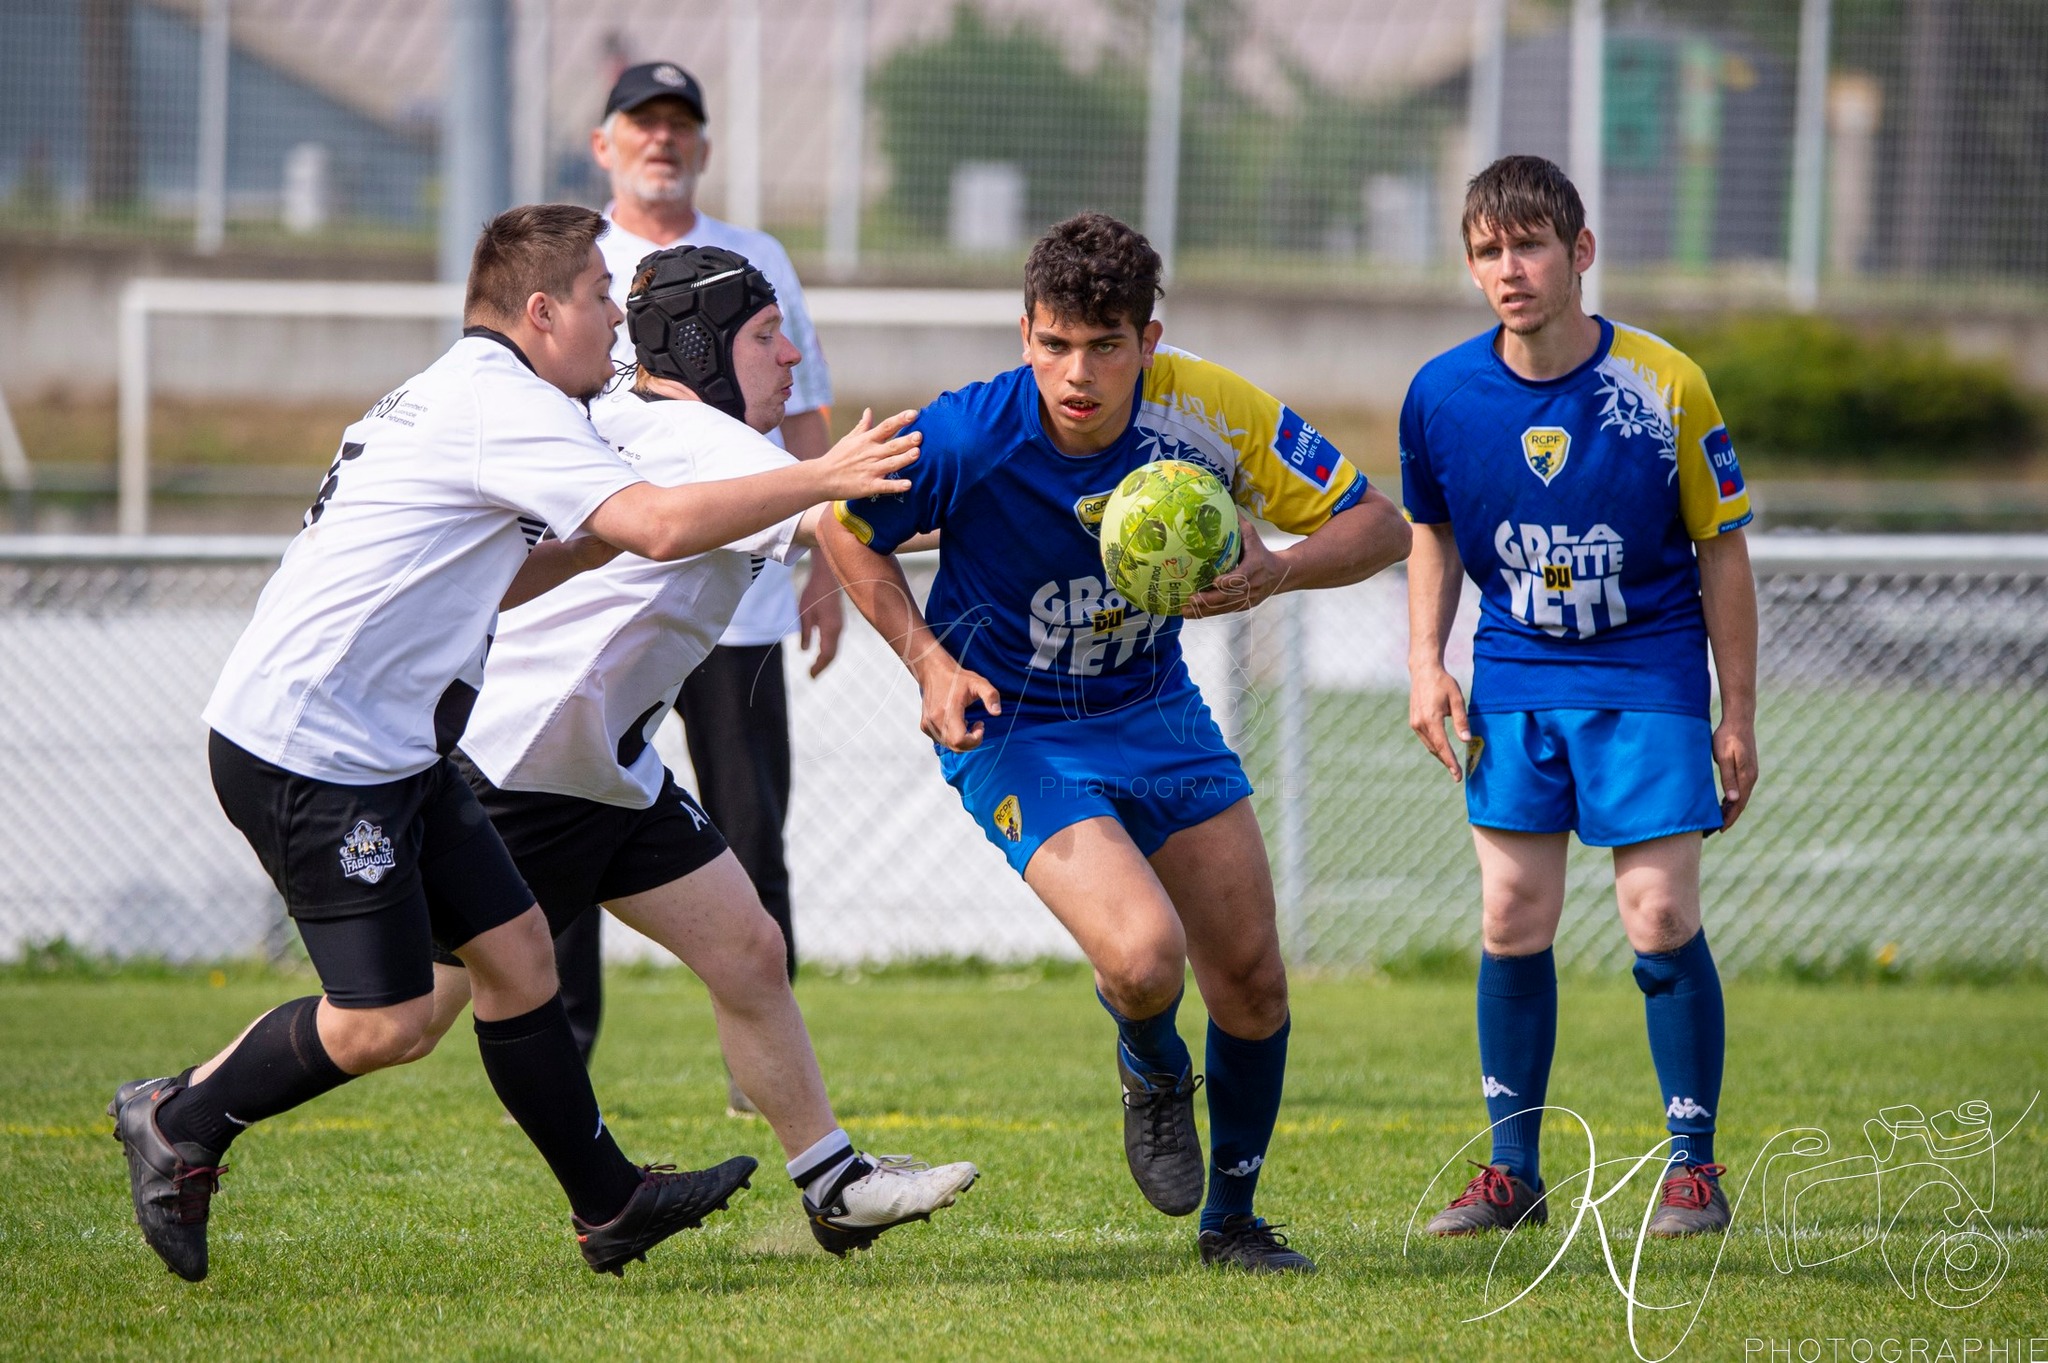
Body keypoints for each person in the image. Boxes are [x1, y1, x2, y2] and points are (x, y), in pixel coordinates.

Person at [108, 204, 920, 1282]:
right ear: (541, 313)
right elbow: (663, 527)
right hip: (314, 748)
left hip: (401, 747)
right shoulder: (507, 406)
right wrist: (824, 475)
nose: (613, 328)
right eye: (596, 297)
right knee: (394, 1019)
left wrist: (591, 555)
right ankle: (179, 1118)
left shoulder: (482, 394)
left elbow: (539, 558)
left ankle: (613, 1202)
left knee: (525, 958)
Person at [820, 212, 1412, 1274]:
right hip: (1014, 727)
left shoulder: (1207, 410)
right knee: (1144, 960)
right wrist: (927, 662)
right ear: (1024, 335)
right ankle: (1149, 1061)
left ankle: (1231, 1221)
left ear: (1147, 338)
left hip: (1153, 707)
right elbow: (838, 528)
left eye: (1103, 345)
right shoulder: (967, 435)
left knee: (1253, 981)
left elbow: (1378, 524)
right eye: (1052, 344)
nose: (1075, 372)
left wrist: (1276, 567)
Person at [424, 244, 976, 1254]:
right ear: (701, 348)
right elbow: (850, 521)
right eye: (766, 340)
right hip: (527, 770)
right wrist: (1012, 524)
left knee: (747, 948)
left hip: (600, 767)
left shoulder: (645, 420)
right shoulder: (706, 440)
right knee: (396, 1018)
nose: (789, 361)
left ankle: (832, 1184)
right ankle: (189, 1111)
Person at [1402, 156, 1758, 1238]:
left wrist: (1733, 709)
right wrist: (1425, 661)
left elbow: (1721, 551)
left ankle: (1691, 1166)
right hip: (1515, 675)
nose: (1506, 269)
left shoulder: (1662, 385)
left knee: (1656, 914)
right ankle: (1512, 1174)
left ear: (1579, 253)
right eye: (1485, 250)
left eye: (1527, 245)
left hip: (1646, 671)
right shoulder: (1441, 394)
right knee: (1510, 916)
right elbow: (1434, 535)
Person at [563, 62, 835, 1097]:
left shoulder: (753, 257)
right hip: (612, 593)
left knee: (751, 827)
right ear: (605, 144)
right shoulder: (577, 260)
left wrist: (820, 565)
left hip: (743, 597)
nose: (661, 140)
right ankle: (564, 1044)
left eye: (681, 124)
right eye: (643, 123)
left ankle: (764, 1071)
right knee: (565, 813)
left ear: (705, 149)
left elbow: (801, 415)